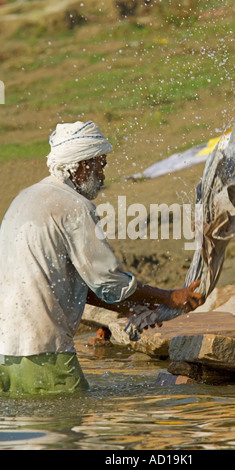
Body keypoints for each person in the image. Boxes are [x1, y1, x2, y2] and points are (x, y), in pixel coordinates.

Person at [0, 121, 203, 395]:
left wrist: (129, 308)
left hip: (6, 351)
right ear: (83, 166)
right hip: (45, 350)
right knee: (64, 429)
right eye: (101, 165)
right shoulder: (74, 206)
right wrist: (168, 298)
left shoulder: (24, 199)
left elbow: (61, 282)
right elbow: (109, 282)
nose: (103, 175)